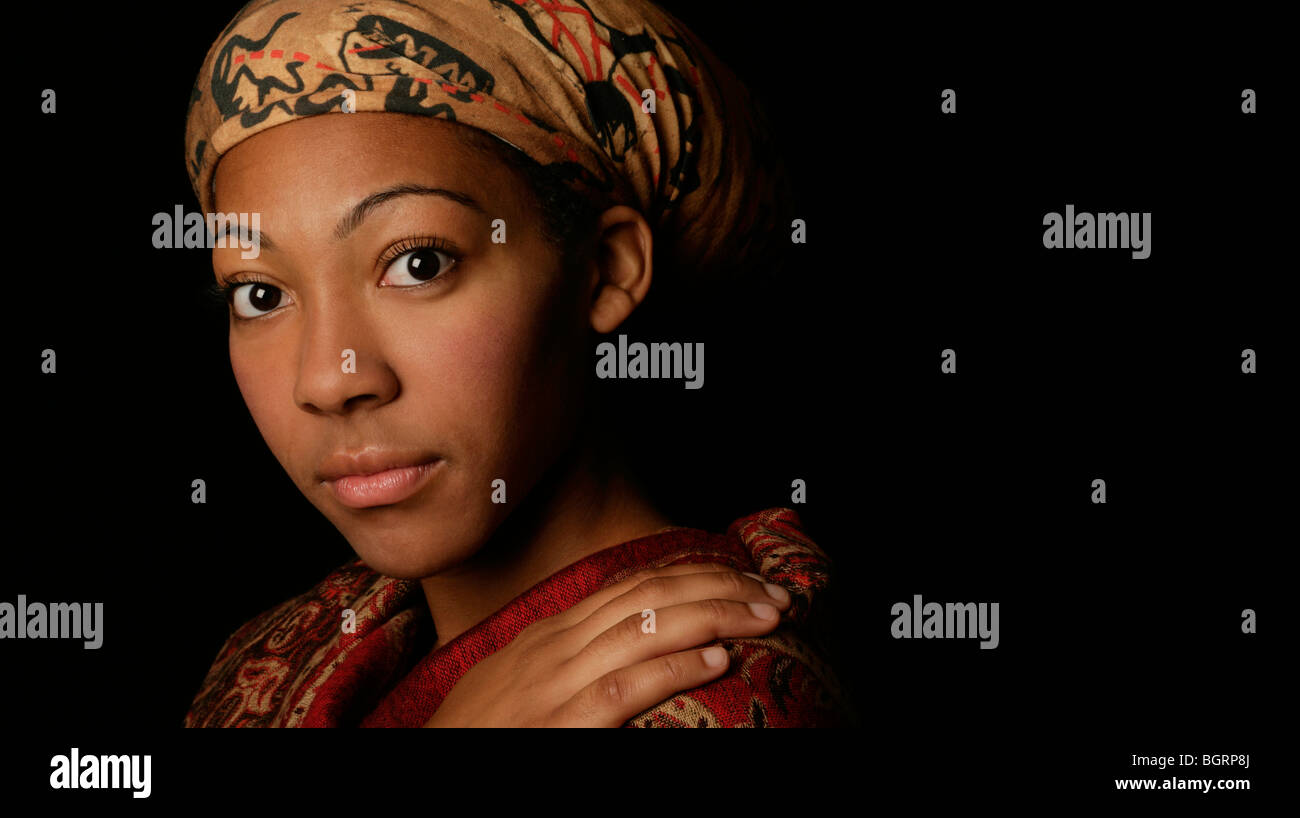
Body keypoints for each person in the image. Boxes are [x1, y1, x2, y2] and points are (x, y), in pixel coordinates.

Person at [182, 0, 855, 727]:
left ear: (604, 270)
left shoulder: (711, 688)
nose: (329, 379)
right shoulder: (280, 647)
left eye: (418, 262)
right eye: (259, 293)